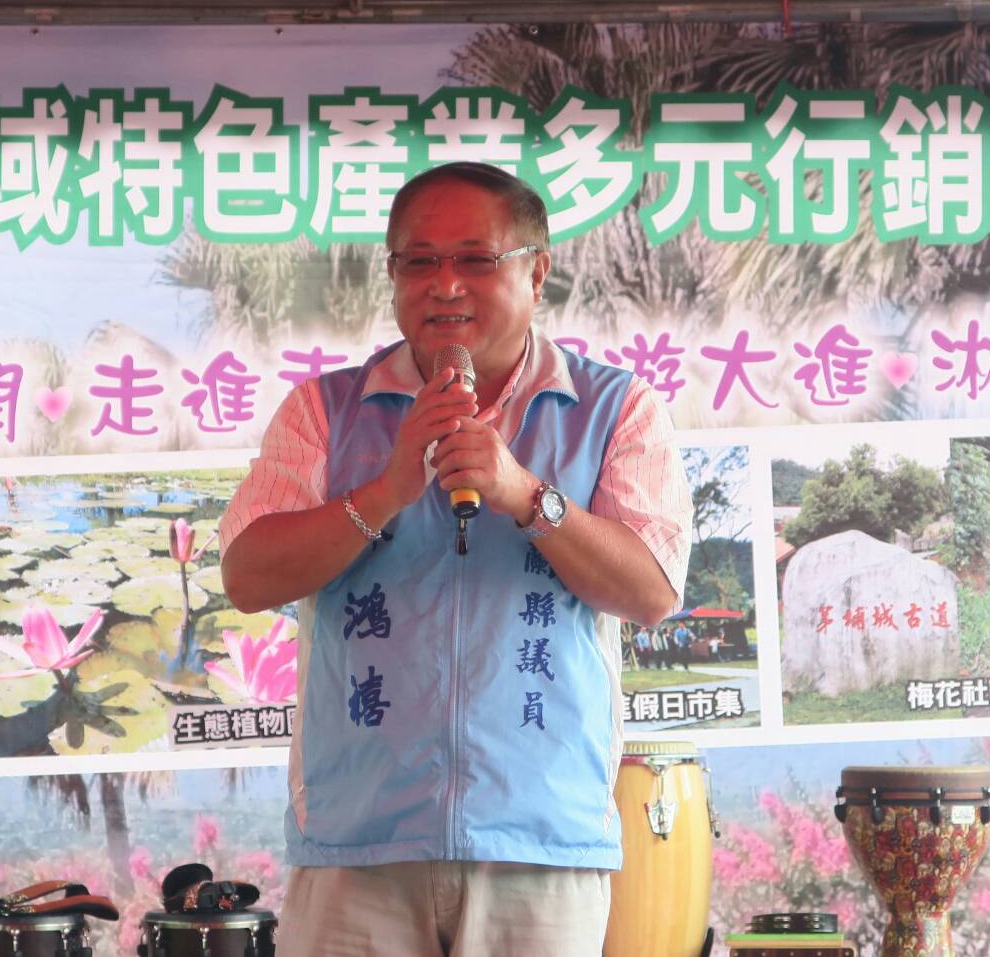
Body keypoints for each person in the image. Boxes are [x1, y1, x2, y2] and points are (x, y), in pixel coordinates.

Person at [219, 162, 691, 956]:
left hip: (537, 844)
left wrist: (525, 495)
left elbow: (651, 588)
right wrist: (383, 489)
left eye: (475, 258)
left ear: (536, 271)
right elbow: (246, 574)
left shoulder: (617, 409)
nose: (443, 284)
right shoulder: (324, 410)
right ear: (393, 273)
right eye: (418, 260)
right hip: (358, 844)